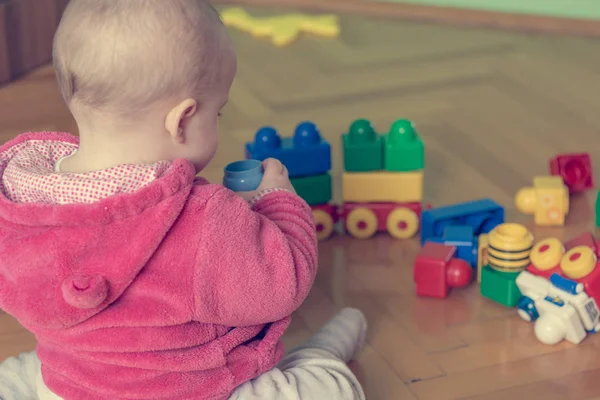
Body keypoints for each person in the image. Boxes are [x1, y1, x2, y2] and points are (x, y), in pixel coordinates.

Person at [0, 0, 367, 399]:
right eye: (219, 113)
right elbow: (284, 284)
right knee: (329, 389)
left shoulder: (21, 203)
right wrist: (280, 201)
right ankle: (322, 356)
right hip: (190, 392)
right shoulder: (200, 218)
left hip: (67, 387)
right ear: (182, 120)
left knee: (27, 372)